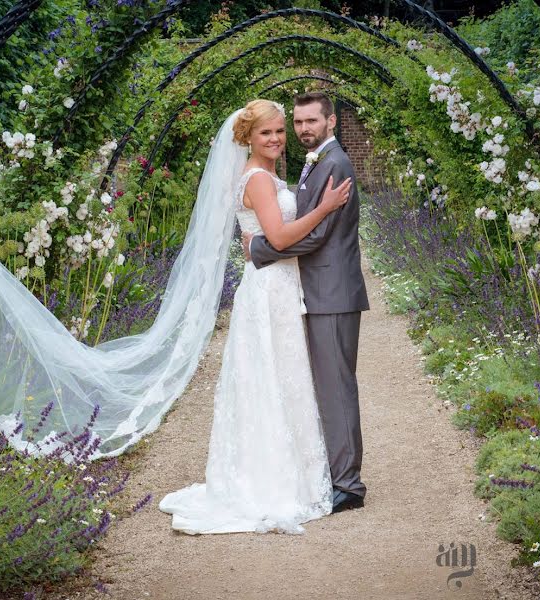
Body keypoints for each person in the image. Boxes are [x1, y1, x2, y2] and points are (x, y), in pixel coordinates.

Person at [158, 99, 353, 534]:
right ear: (247, 137)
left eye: (281, 131)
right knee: (274, 376)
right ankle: (275, 480)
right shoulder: (259, 179)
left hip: (278, 286)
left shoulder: (263, 176)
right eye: (268, 132)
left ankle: (288, 471)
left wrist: (261, 243)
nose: (278, 138)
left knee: (281, 377)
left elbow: (265, 237)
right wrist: (324, 209)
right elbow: (280, 236)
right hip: (270, 289)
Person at [243, 91, 370, 514]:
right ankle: (336, 475)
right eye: (296, 123)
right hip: (316, 292)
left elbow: (316, 236)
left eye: (310, 121)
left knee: (336, 388)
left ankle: (349, 486)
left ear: (331, 121)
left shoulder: (334, 163)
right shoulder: (316, 160)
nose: (302, 130)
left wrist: (259, 249)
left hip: (331, 294)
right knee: (327, 387)